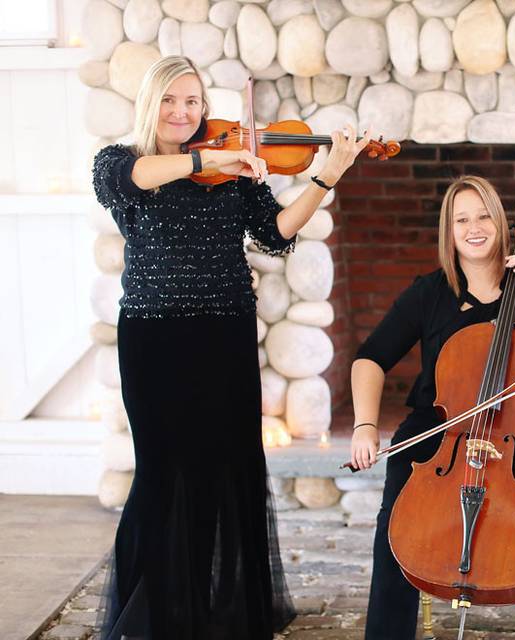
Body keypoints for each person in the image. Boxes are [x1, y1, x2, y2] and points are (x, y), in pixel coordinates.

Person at [91, 55, 372, 639]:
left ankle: (216, 610)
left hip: (224, 334)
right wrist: (209, 157)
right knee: (163, 473)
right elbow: (139, 179)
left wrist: (326, 176)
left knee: (228, 467)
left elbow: (276, 233)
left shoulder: (237, 172)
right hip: (155, 338)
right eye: (171, 100)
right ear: (152, 104)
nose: (182, 111)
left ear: (205, 109)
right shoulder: (120, 163)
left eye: (192, 101)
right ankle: (156, 614)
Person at [349, 176, 515, 640]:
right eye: (462, 219)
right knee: (398, 514)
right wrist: (364, 425)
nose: (474, 228)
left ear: (502, 222)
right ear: (448, 232)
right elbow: (371, 358)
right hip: (443, 425)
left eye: (483, 215)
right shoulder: (429, 293)